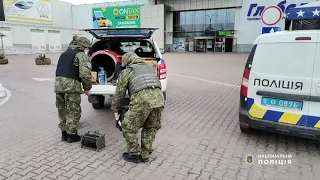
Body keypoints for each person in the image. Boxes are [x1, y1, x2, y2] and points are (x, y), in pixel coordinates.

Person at [111, 52, 165, 163]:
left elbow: (119, 93)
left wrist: (115, 109)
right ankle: (145, 153)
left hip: (142, 100)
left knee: (128, 127)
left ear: (126, 62)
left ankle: (133, 153)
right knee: (150, 127)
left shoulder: (127, 71)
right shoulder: (149, 67)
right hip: (159, 99)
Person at [55, 36, 92, 143]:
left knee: (62, 110)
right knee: (72, 110)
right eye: (87, 48)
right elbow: (85, 74)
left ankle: (64, 134)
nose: (87, 50)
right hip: (71, 86)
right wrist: (87, 88)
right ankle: (72, 135)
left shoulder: (64, 54)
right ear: (83, 46)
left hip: (58, 86)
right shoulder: (80, 55)